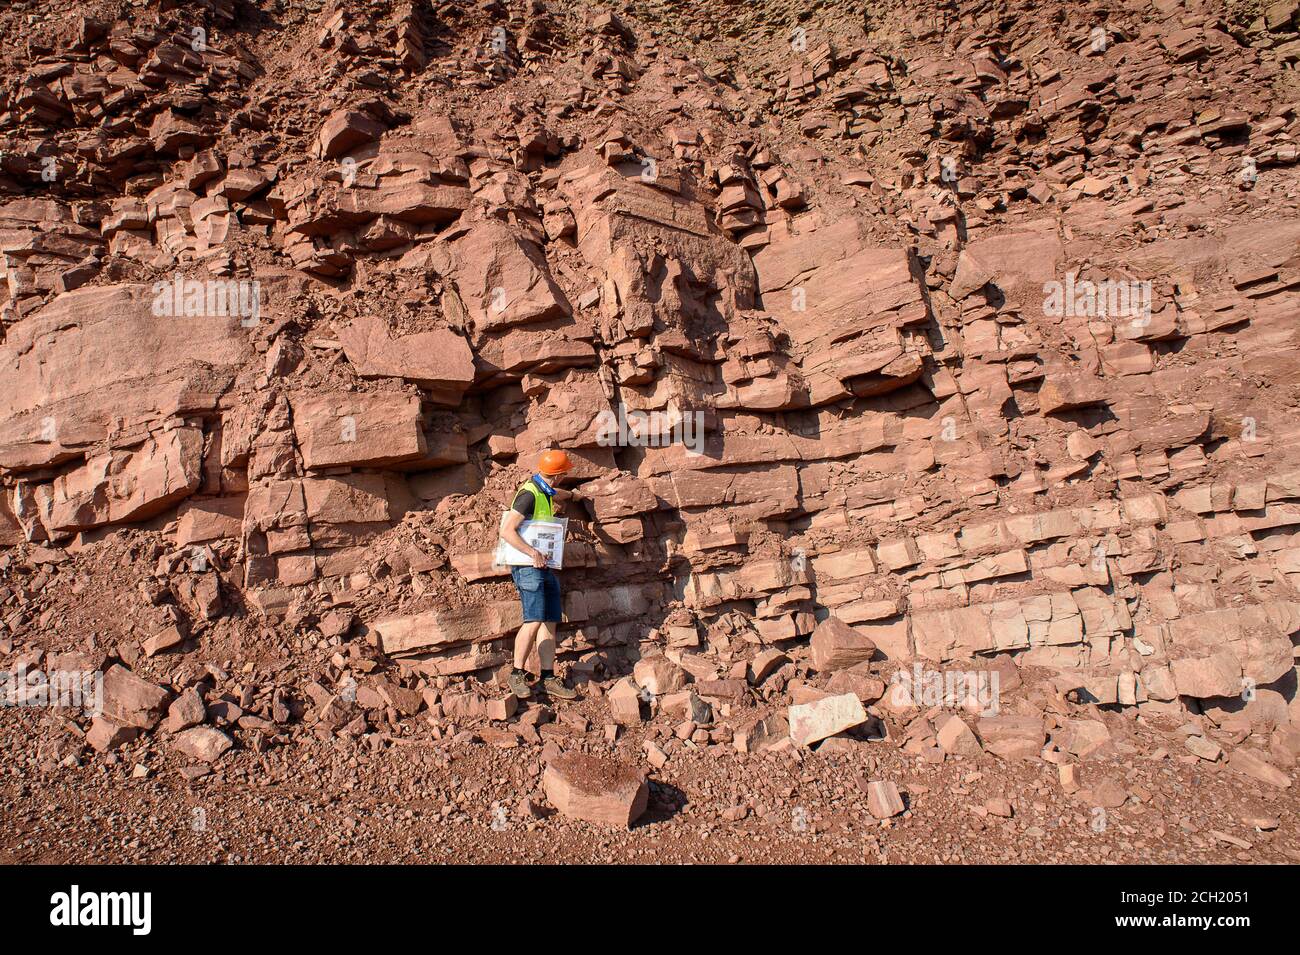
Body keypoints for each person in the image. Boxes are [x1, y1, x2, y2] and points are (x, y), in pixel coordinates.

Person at [500, 448, 582, 701]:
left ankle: (548, 677)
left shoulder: (545, 490)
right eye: (564, 473)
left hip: (544, 566)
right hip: (528, 566)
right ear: (558, 474)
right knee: (534, 619)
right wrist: (532, 552)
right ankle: (517, 673)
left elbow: (557, 493)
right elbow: (506, 530)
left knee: (549, 620)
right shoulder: (529, 494)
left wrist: (575, 496)